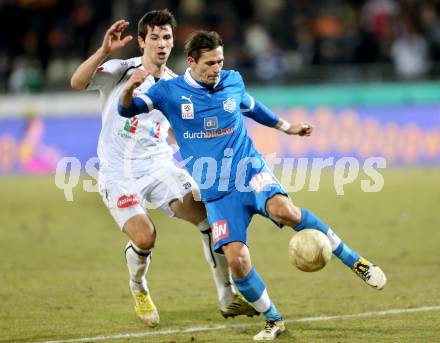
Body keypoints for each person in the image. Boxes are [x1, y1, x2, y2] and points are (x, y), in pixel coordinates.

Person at [118, 30, 387, 340]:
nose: (216, 68)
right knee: (236, 259)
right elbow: (127, 109)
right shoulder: (169, 91)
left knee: (285, 211)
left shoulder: (233, 80)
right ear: (191, 62)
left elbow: (252, 107)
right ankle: (274, 320)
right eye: (209, 63)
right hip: (216, 192)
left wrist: (288, 127)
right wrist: (129, 88)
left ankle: (357, 262)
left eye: (220, 61)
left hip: (249, 171)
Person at [70, 11, 257, 328]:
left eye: (167, 37)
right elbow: (77, 82)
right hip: (119, 172)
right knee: (145, 237)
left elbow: (177, 130)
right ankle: (138, 287)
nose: (161, 44)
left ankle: (227, 296)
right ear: (142, 41)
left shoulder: (176, 85)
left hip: (159, 166)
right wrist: (104, 51)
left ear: (173, 42)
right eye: (154, 37)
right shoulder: (121, 70)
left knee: (209, 217)